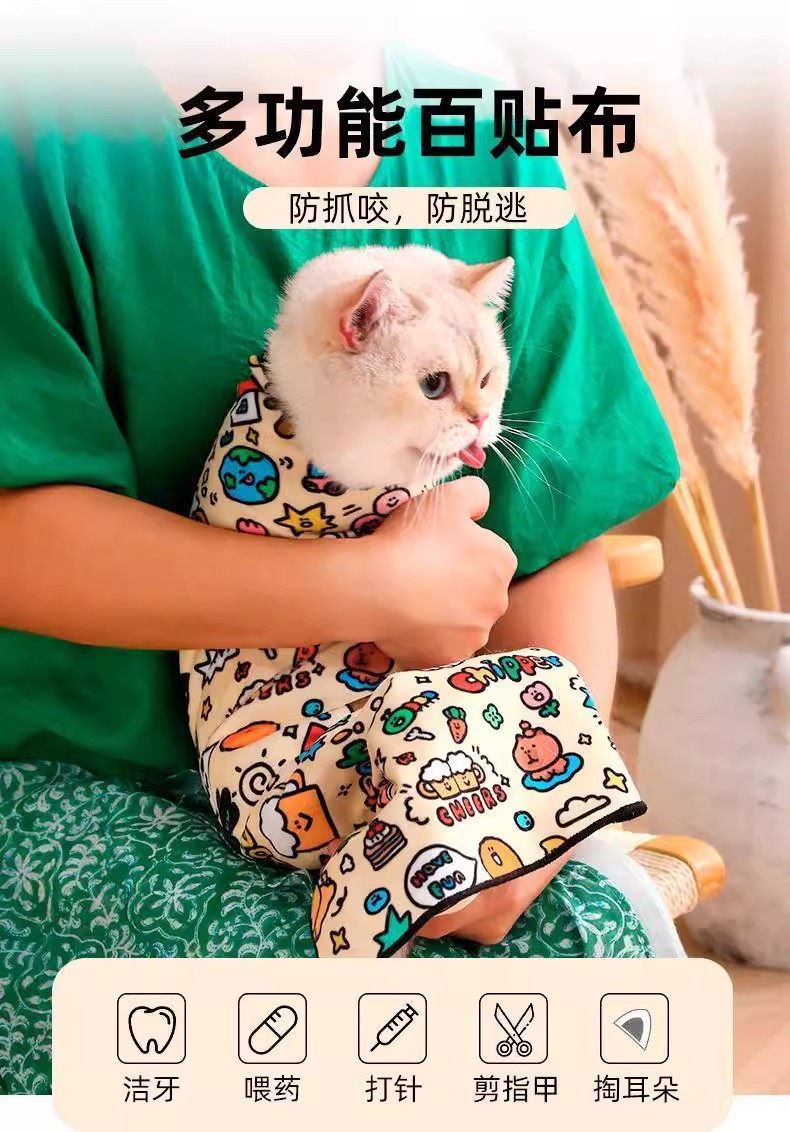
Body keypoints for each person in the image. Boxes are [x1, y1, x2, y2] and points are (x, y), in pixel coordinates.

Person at [0, 42, 678, 1090]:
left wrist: (523, 806)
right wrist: (369, 591)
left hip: (399, 770)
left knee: (584, 950)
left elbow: (551, 536)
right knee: (334, 1029)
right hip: (68, 769)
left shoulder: (480, 132)